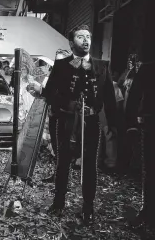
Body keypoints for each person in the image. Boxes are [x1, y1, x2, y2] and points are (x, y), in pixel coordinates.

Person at [28, 25, 117, 225]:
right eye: (80, 37)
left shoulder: (103, 66)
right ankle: (58, 202)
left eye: (88, 37)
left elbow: (110, 99)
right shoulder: (61, 66)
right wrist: (68, 104)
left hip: (92, 122)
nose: (85, 40)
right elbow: (50, 94)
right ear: (71, 42)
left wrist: (112, 124)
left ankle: (88, 208)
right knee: (62, 163)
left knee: (90, 166)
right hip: (66, 121)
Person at [125, 61, 155, 231]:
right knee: (150, 171)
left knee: (150, 172)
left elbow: (135, 94)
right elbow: (135, 94)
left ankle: (147, 213)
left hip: (149, 122)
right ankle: (148, 213)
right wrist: (132, 123)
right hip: (150, 123)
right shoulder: (149, 67)